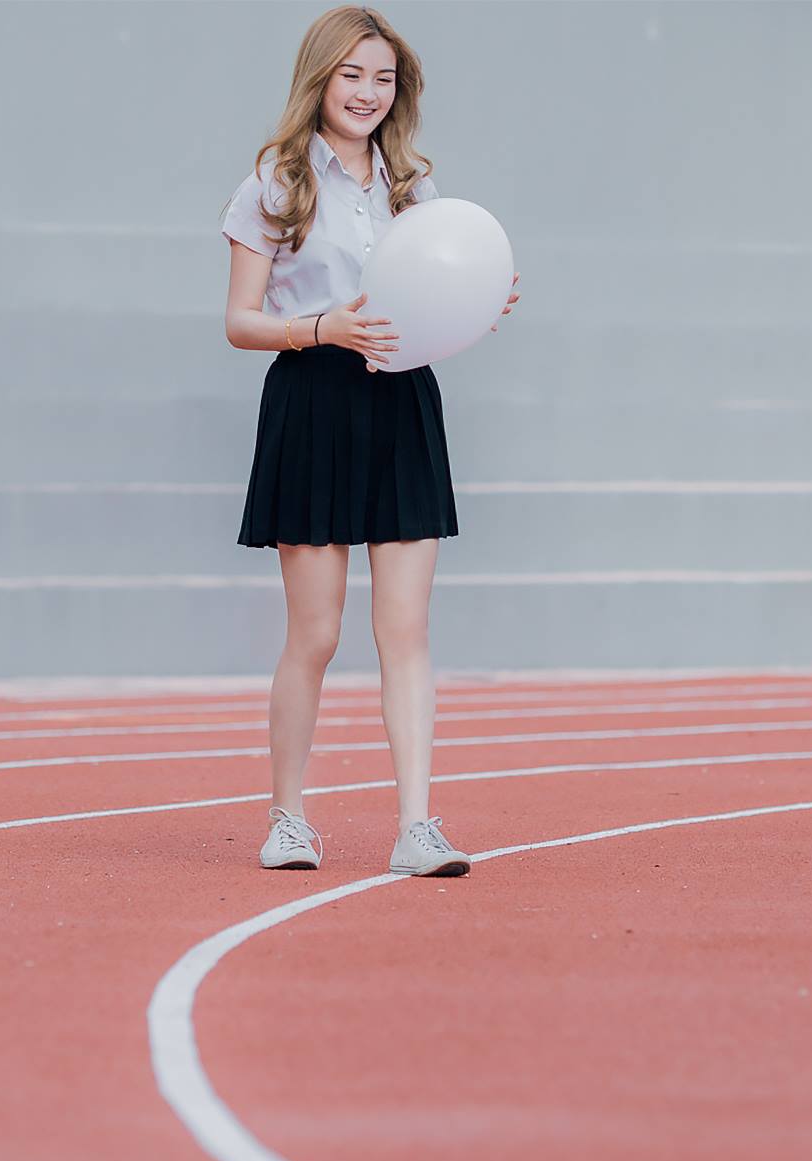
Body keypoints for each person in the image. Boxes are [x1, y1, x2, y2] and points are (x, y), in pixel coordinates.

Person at [217, 4, 519, 876]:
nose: (368, 92)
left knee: (406, 629)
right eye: (352, 74)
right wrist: (324, 329)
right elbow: (240, 322)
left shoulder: (411, 187)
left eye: (383, 77)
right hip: (313, 401)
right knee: (314, 633)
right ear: (320, 78)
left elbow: (432, 293)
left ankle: (416, 828)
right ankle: (287, 820)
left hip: (401, 401)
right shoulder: (274, 181)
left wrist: (479, 303)